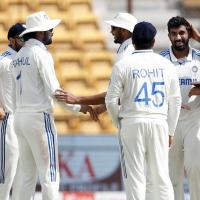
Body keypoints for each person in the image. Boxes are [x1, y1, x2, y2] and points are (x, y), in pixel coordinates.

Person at [10, 11, 97, 200]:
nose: (52, 32)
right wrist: (79, 107)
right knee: (49, 173)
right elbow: (55, 92)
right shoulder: (41, 55)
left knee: (26, 175)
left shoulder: (16, 57)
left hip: (20, 119)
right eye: (50, 29)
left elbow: (14, 95)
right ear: (40, 33)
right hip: (39, 119)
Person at [105, 21, 181, 200]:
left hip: (132, 121)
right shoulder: (166, 64)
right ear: (154, 41)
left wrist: (118, 121)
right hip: (159, 122)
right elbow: (175, 100)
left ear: (133, 42)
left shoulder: (123, 64)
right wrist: (170, 130)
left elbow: (110, 100)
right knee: (161, 177)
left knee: (135, 177)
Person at [55, 12, 138, 109]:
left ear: (124, 30)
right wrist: (104, 107)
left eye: (113, 28)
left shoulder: (125, 55)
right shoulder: (133, 50)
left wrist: (77, 99)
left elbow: (116, 94)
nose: (111, 32)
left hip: (132, 117)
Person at [160, 16, 200, 200]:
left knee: (195, 169)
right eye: (174, 34)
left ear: (189, 34)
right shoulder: (160, 60)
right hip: (170, 122)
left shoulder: (199, 58)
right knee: (172, 176)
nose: (178, 37)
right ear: (168, 36)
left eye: (182, 33)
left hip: (195, 120)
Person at [0, 23, 25, 200]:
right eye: (22, 39)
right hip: (7, 119)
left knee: (23, 176)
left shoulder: (25, 60)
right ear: (12, 40)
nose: (26, 42)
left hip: (24, 120)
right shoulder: (3, 60)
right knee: (6, 174)